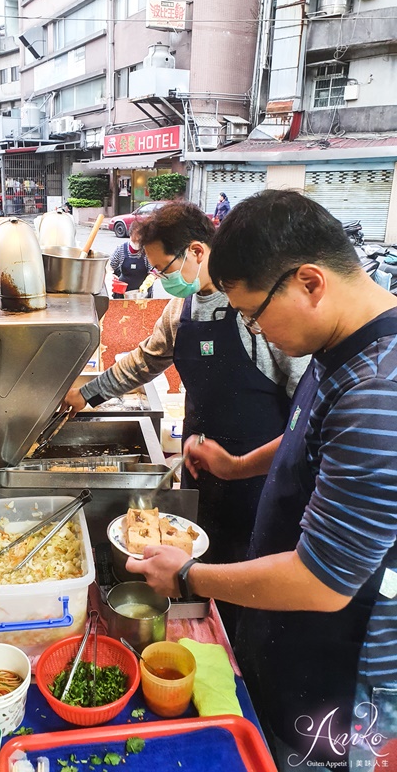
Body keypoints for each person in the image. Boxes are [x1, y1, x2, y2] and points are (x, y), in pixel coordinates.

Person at [127, 189, 397, 769]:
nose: (253, 327)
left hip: (341, 673)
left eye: (254, 312)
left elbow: (324, 583)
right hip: (294, 635)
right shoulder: (345, 348)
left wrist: (191, 576)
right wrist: (240, 464)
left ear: (310, 282)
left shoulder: (379, 393)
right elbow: (308, 435)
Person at [64, 201, 308, 592]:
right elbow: (144, 361)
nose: (160, 278)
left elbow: (308, 410)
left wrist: (256, 466)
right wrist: (88, 393)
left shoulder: (258, 310)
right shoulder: (181, 308)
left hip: (262, 474)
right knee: (198, 560)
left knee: (249, 572)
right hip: (200, 467)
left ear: (196, 250)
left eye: (164, 268)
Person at [109, 221, 153, 298]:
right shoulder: (121, 249)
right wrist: (111, 276)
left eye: (139, 240)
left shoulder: (147, 251)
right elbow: (110, 267)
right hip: (122, 292)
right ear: (130, 235)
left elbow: (153, 271)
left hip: (142, 294)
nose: (136, 242)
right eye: (134, 239)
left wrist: (147, 283)